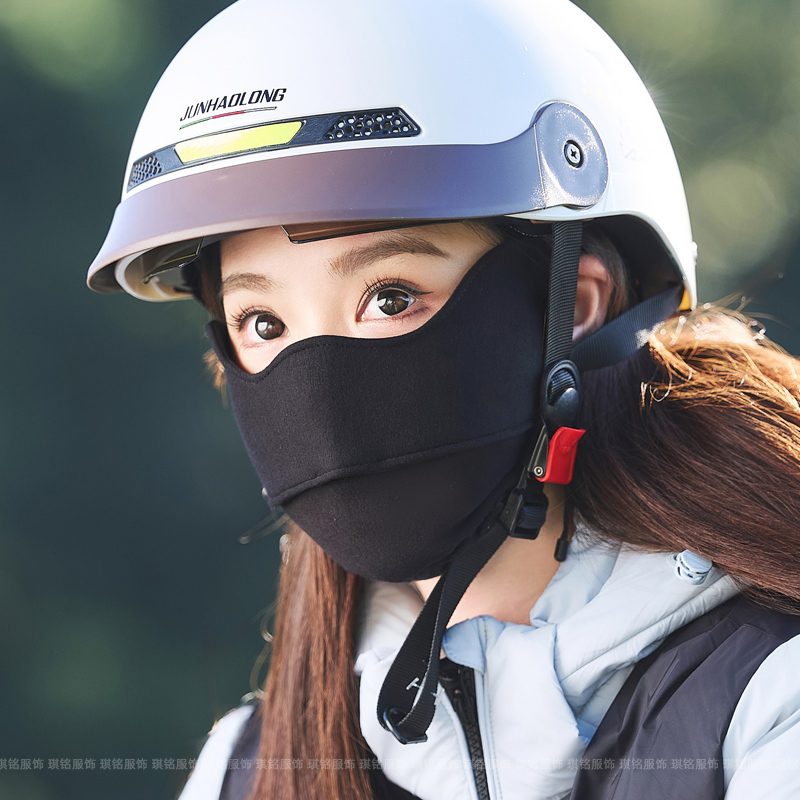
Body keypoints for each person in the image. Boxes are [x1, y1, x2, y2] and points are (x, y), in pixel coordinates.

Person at [87, 1, 800, 798]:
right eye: (263, 322)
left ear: (576, 304)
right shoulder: (245, 771)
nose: (319, 394)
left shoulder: (773, 700)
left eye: (390, 297)